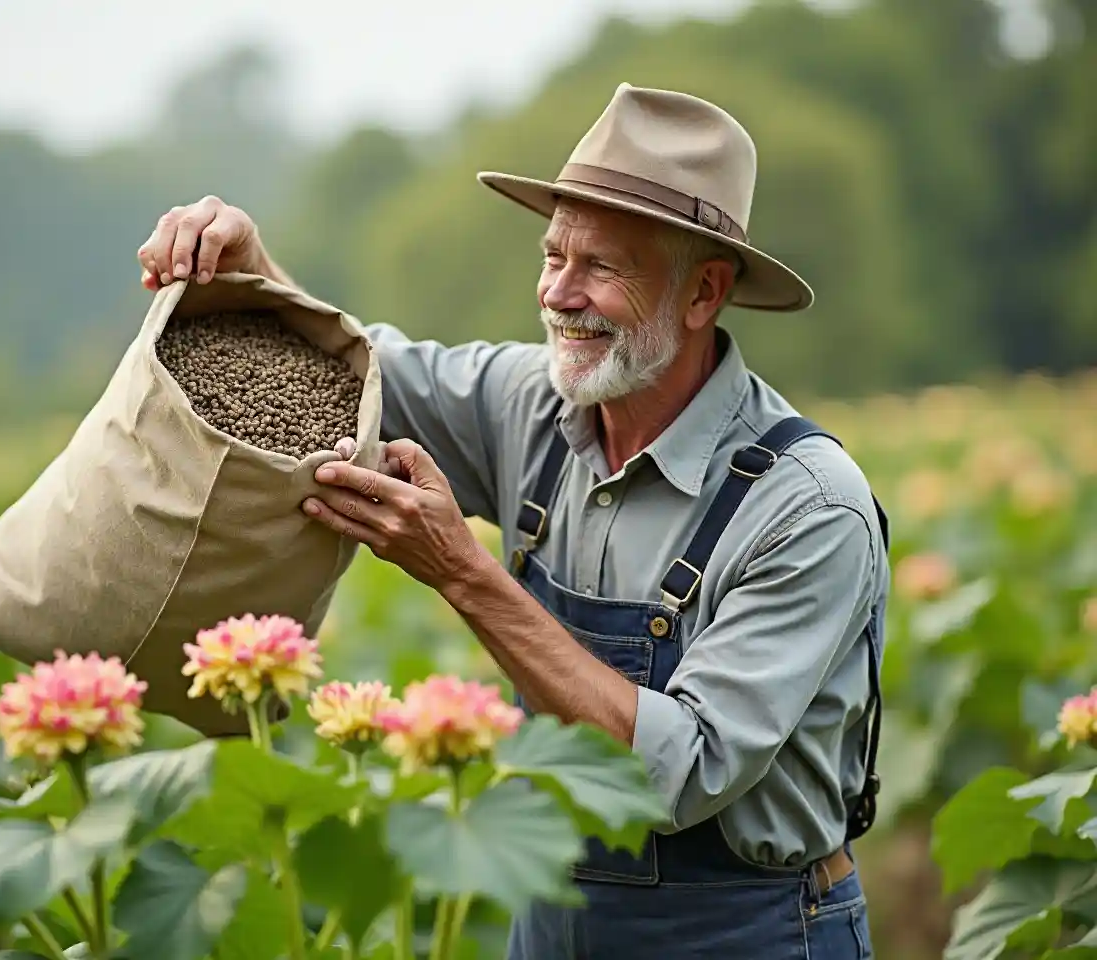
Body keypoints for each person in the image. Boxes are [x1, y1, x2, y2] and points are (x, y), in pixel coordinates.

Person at [138, 83, 889, 960]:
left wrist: (463, 571)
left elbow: (679, 772)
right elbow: (357, 375)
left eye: (600, 268)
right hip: (555, 910)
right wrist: (248, 266)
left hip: (744, 925)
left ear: (703, 294)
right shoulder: (531, 403)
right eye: (552, 256)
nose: (558, 294)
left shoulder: (806, 505)